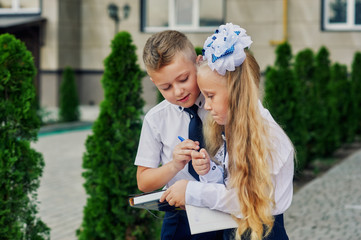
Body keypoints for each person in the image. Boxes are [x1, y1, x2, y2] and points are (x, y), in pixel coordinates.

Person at [160, 23, 295, 240]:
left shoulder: (266, 137)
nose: (205, 105)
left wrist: (190, 191)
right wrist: (209, 171)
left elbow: (247, 201)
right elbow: (231, 186)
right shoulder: (236, 130)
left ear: (235, 92)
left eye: (211, 96)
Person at [135, 30, 223, 240]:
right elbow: (144, 182)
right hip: (179, 218)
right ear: (153, 82)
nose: (177, 92)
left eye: (183, 79)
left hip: (222, 211)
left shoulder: (220, 107)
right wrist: (174, 165)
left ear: (199, 63)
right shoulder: (156, 119)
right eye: (165, 87)